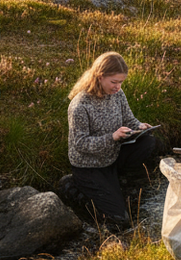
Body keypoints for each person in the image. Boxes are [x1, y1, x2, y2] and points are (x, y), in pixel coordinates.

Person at [60, 52, 158, 229]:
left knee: (149, 141)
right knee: (119, 219)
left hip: (112, 157)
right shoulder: (80, 105)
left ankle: (120, 182)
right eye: (114, 82)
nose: (118, 87)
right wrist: (112, 137)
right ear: (99, 76)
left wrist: (140, 126)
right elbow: (80, 144)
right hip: (89, 166)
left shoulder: (117, 95)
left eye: (121, 82)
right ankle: (73, 186)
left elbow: (129, 119)